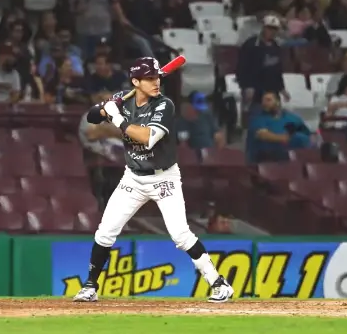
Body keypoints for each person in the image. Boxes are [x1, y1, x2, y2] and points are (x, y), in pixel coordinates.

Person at [73, 57, 234, 303]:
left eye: (157, 77)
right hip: (133, 177)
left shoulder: (164, 105)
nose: (156, 82)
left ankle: (219, 284)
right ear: (136, 82)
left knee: (181, 235)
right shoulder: (124, 99)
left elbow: (147, 138)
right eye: (149, 78)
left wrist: (117, 118)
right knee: (105, 232)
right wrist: (107, 105)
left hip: (163, 178)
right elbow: (93, 118)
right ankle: (90, 287)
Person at [237, 15, 288, 112]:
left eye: (275, 29)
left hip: (272, 90)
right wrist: (247, 86)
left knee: (274, 115)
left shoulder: (276, 46)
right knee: (256, 115)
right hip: (255, 90)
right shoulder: (251, 44)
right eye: (269, 28)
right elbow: (242, 67)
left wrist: (282, 88)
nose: (272, 32)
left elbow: (277, 70)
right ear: (263, 28)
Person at [245, 91, 311, 163]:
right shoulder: (258, 118)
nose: (264, 103)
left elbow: (307, 134)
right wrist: (284, 138)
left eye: (268, 100)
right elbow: (262, 135)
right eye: (263, 101)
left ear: (278, 102)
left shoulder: (292, 118)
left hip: (293, 158)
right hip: (264, 160)